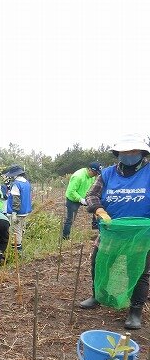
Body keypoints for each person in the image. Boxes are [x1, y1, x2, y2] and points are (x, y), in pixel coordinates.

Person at [80, 134, 150, 329]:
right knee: (100, 262)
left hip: (140, 233)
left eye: (133, 151)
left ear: (142, 153)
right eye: (124, 152)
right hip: (112, 230)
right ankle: (98, 296)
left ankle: (135, 311)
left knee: (138, 270)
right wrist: (99, 209)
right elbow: (92, 194)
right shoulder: (108, 174)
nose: (128, 155)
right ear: (117, 154)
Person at [63, 162, 101, 239]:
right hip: (72, 199)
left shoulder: (92, 177)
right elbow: (71, 191)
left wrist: (88, 198)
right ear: (89, 170)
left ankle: (95, 229)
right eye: (95, 173)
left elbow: (90, 189)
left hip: (84, 197)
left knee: (97, 208)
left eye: (97, 174)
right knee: (70, 219)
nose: (95, 175)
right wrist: (80, 199)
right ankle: (65, 237)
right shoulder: (78, 176)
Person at [4, 165, 32, 251]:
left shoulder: (16, 184)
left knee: (16, 231)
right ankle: (19, 248)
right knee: (20, 229)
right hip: (25, 210)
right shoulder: (26, 182)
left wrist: (14, 212)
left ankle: (17, 250)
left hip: (18, 211)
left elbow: (16, 199)